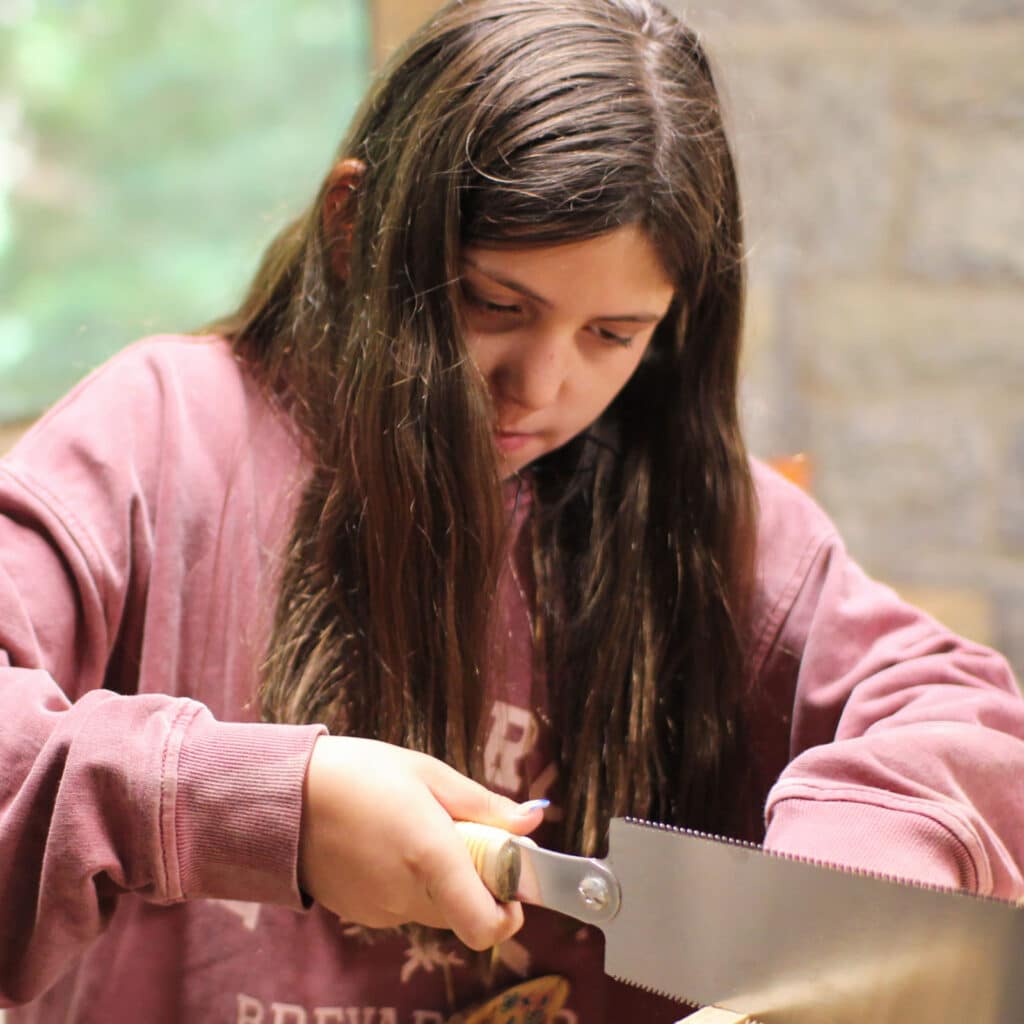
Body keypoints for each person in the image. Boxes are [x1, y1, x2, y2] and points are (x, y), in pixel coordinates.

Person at [1, 0, 1022, 1021]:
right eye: (496, 305)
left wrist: (833, 896)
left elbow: (956, 710)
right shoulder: (165, 435)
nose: (539, 385)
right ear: (356, 227)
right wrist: (265, 805)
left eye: (613, 334)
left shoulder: (697, 517)